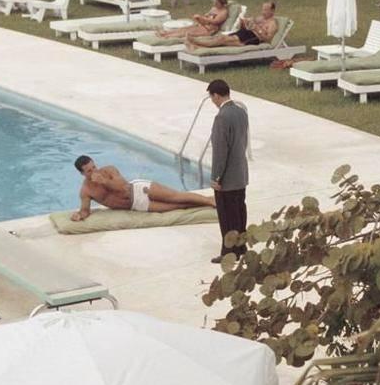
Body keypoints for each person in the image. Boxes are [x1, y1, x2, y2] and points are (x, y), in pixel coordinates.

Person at [69, 155, 215, 220]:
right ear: (82, 173)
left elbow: (124, 187)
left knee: (176, 196)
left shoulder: (108, 170)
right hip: (137, 205)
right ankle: (206, 202)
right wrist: (80, 216)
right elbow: (85, 210)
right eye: (89, 170)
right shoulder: (86, 191)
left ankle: (211, 201)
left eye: (94, 166)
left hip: (140, 189)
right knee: (176, 206)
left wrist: (104, 182)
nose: (94, 171)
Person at [207, 78, 249, 263]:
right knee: (240, 212)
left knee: (227, 217)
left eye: (212, 97)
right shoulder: (241, 112)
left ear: (216, 95)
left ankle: (229, 252)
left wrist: (216, 176)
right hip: (240, 173)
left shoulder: (221, 117)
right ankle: (241, 246)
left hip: (227, 178)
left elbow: (220, 150)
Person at [201, 0, 279, 48]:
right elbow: (249, 26)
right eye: (263, 9)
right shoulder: (260, 18)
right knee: (221, 37)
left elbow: (268, 40)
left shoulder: (272, 24)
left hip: (253, 38)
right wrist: (245, 22)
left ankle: (200, 44)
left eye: (266, 10)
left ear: (272, 11)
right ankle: (200, 43)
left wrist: (258, 30)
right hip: (246, 33)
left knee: (223, 39)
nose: (263, 12)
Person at [157, 0, 231, 43]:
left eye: (216, 2)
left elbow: (215, 21)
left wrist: (202, 18)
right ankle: (166, 33)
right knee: (184, 29)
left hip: (208, 30)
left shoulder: (223, 12)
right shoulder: (214, 8)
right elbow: (207, 16)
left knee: (188, 32)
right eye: (214, 2)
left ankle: (167, 37)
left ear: (221, 3)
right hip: (202, 25)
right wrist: (200, 18)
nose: (214, 4)